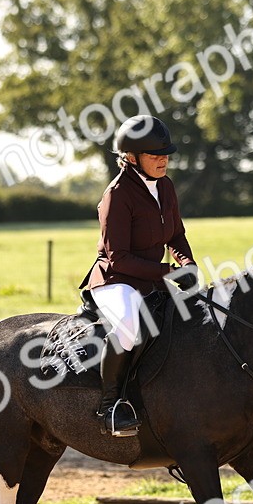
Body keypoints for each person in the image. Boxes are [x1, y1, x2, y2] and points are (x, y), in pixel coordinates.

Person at [85, 114, 199, 437]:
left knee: (193, 316)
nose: (163, 160)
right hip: (115, 280)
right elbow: (118, 258)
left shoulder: (166, 186)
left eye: (166, 154)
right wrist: (168, 271)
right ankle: (110, 406)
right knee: (128, 326)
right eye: (155, 155)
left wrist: (187, 263)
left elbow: (175, 235)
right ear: (132, 157)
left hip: (151, 277)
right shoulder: (117, 194)